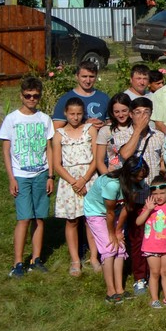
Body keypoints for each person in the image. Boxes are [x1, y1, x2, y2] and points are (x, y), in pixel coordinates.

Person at [1, 78, 55, 277]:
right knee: (24, 218)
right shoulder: (12, 119)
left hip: (41, 174)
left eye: (36, 96)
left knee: (39, 218)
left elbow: (49, 148)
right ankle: (17, 262)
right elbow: (6, 151)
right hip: (21, 175)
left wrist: (50, 176)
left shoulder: (44, 119)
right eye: (28, 96)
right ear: (21, 96)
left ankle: (36, 259)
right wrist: (11, 178)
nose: (32, 99)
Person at [84, 160, 146, 304]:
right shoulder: (112, 184)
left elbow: (127, 208)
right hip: (96, 212)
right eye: (138, 177)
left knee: (120, 247)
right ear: (129, 174)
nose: (141, 180)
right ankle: (110, 292)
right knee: (109, 247)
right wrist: (112, 234)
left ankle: (120, 290)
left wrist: (118, 231)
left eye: (142, 177)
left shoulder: (136, 183)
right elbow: (109, 212)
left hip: (116, 213)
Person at [51, 97, 95, 275]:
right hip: (69, 180)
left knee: (91, 219)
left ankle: (94, 257)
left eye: (78, 114)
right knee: (72, 220)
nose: (75, 117)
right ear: (65, 113)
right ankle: (75, 259)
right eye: (72, 114)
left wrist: (84, 179)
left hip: (88, 177)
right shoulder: (59, 134)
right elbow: (57, 164)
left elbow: (96, 158)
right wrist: (74, 182)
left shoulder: (90, 130)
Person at [135, 178, 166, 309]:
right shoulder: (149, 208)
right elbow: (138, 222)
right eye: (155, 194)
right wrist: (148, 210)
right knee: (155, 273)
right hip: (151, 247)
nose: (159, 196)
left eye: (162, 193)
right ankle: (154, 299)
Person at [51, 60, 110, 129]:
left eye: (91, 77)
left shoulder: (104, 98)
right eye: (84, 76)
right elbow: (57, 128)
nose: (88, 81)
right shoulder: (65, 99)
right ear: (77, 76)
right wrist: (84, 125)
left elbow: (111, 123)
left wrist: (103, 125)